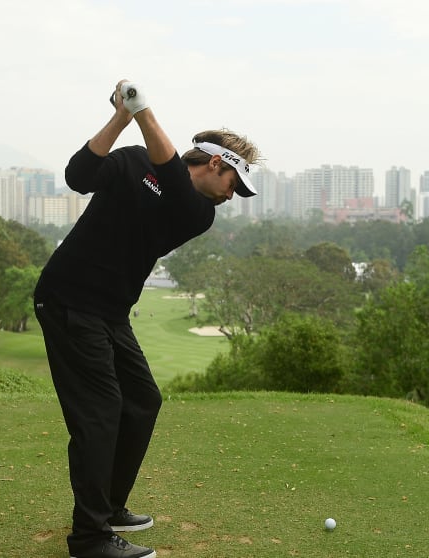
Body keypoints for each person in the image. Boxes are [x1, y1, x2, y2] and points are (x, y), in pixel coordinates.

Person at [33, 79, 261, 558]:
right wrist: (122, 116)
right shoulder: (134, 161)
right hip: (69, 299)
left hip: (110, 311)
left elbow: (173, 185)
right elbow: (79, 175)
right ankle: (90, 539)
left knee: (142, 401)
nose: (233, 196)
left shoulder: (199, 211)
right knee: (100, 413)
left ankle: (109, 506)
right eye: (234, 185)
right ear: (217, 164)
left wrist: (142, 110)